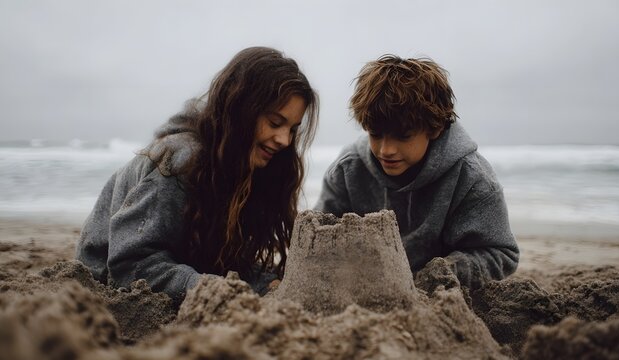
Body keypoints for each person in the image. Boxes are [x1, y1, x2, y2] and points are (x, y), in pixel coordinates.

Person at [76, 47, 319, 303]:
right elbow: (131, 264)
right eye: (274, 122)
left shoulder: (246, 166)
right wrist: (212, 289)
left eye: (292, 129)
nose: (284, 140)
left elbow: (221, 262)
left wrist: (266, 283)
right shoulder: (180, 161)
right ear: (242, 109)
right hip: (101, 280)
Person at [314, 55, 518, 290]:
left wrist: (433, 277)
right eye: (375, 134)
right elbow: (319, 235)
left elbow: (501, 254)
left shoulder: (472, 179)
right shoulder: (348, 170)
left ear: (435, 128)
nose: (386, 150)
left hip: (438, 297)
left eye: (403, 136)